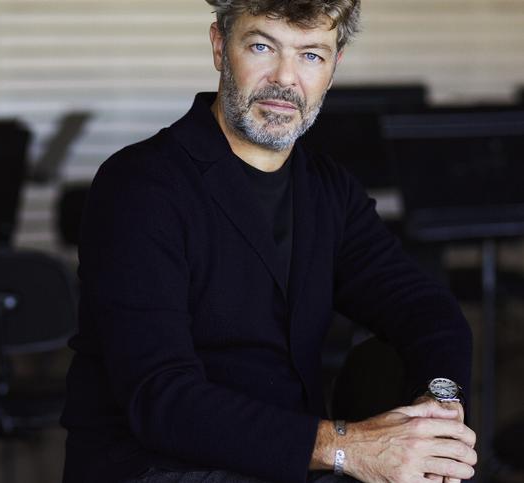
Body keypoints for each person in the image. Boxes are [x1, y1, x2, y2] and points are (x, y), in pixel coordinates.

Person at [60, 1, 477, 482]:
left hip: (293, 466)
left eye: (311, 55)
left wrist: (440, 411)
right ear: (220, 46)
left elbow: (424, 308)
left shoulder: (327, 190)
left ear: (333, 69)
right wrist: (350, 447)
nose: (285, 78)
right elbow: (162, 399)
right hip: (158, 470)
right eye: (262, 47)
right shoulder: (140, 186)